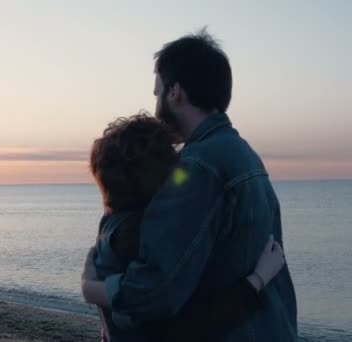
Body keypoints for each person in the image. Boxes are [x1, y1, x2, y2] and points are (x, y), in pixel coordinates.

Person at [81, 29, 297, 341]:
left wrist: (90, 289)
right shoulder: (245, 156)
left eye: (157, 93)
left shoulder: (197, 167)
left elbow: (154, 293)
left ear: (175, 92)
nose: (155, 104)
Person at [83, 114, 285, 341]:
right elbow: (191, 326)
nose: (179, 166)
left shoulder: (110, 227)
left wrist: (89, 288)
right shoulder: (139, 237)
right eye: (174, 162)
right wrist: (257, 279)